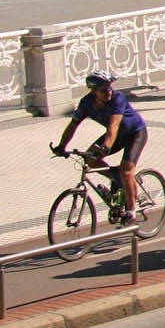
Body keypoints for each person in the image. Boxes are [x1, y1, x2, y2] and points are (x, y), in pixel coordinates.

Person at [52, 70, 147, 220]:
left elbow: (113, 126)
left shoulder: (118, 99)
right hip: (116, 135)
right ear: (94, 92)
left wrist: (106, 147)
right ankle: (115, 177)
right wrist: (61, 146)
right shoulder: (86, 103)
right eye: (104, 90)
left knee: (127, 170)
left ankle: (131, 210)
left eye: (110, 88)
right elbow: (73, 125)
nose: (109, 92)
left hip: (135, 133)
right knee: (90, 159)